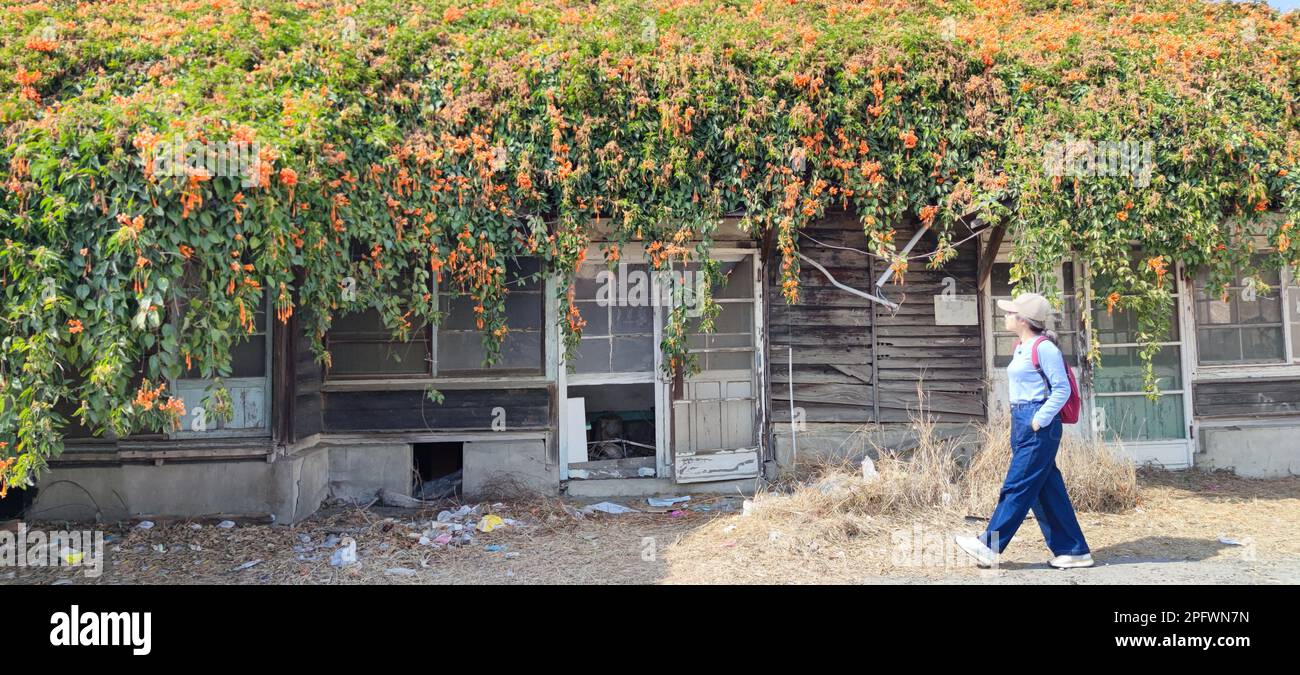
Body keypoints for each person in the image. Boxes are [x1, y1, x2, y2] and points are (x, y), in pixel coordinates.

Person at [954, 292, 1093, 569]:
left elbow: (1062, 389)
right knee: (1046, 490)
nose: (1005, 316)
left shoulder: (1044, 348)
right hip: (1023, 421)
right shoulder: (1021, 346)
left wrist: (1039, 419)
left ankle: (989, 546)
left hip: (1038, 424)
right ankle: (1074, 550)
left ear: (1024, 320)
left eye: (1010, 313)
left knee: (1017, 485)